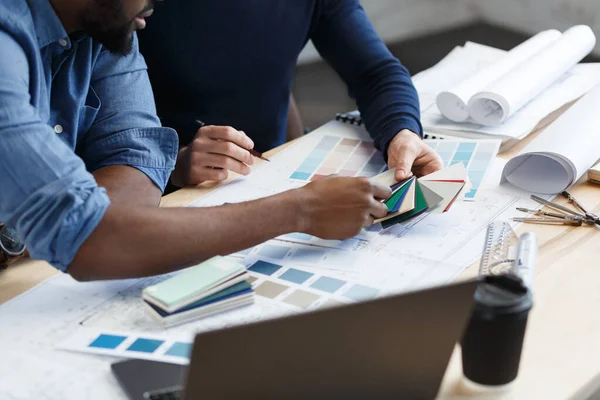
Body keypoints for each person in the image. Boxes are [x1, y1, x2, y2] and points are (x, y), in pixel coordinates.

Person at [0, 0, 391, 281]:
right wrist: (301, 211)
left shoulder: (109, 24)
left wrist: (66, 228)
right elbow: (92, 238)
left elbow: (138, 157)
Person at [138, 0, 444, 188]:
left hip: (269, 178)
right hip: (162, 189)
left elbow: (375, 73)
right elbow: (100, 134)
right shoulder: (133, 8)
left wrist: (401, 132)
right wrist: (173, 165)